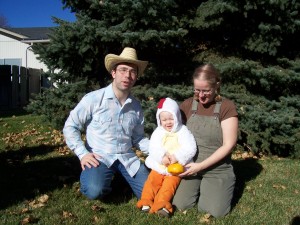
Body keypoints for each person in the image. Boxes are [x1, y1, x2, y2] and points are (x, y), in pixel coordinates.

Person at [63, 47, 150, 200]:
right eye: (123, 70)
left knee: (150, 194)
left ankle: (121, 178)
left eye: (132, 72)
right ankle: (99, 178)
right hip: (100, 157)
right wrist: (83, 154)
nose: (127, 75)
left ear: (136, 77)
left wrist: (160, 152)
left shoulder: (136, 106)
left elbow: (138, 138)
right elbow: (71, 126)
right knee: (94, 190)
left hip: (127, 158)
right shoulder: (94, 99)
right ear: (113, 73)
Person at [172, 64, 238, 218]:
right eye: (197, 90)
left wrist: (200, 166)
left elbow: (229, 145)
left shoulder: (226, 107)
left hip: (217, 168)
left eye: (205, 90)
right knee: (179, 204)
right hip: (189, 166)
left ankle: (219, 185)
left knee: (213, 212)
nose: (200, 95)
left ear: (217, 86)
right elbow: (174, 133)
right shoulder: (187, 105)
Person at [136, 97, 197, 217]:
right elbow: (153, 147)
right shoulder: (158, 132)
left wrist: (177, 156)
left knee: (169, 186)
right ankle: (146, 201)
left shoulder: (183, 131)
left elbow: (190, 148)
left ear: (177, 117)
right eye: (164, 120)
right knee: (152, 181)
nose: (168, 122)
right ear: (159, 120)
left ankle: (162, 205)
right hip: (160, 165)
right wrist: (162, 156)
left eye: (171, 118)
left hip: (175, 167)